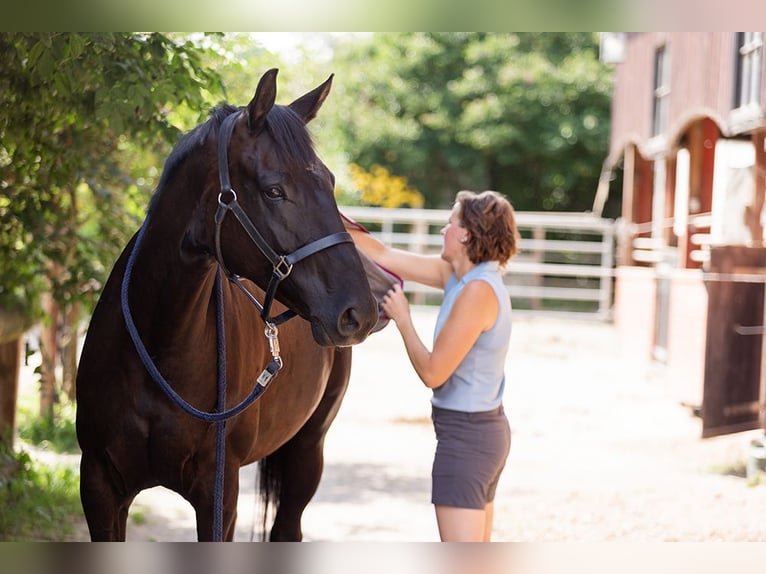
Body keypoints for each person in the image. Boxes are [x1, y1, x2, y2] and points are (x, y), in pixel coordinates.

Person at [346, 190, 520, 542]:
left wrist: (404, 320)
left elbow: (433, 372)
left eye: (451, 223)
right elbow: (383, 254)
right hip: (476, 432)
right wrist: (319, 205)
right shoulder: (459, 276)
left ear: (468, 234)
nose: (444, 230)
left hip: (467, 438)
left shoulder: (477, 292)